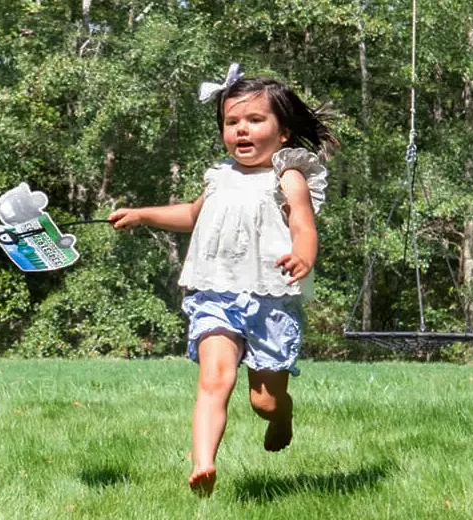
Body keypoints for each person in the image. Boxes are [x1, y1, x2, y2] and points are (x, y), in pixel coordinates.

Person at [107, 68, 337, 496]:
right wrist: (142, 215)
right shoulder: (219, 177)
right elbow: (193, 216)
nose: (241, 131)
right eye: (232, 123)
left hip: (270, 299)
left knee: (263, 401)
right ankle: (203, 464)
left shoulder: (289, 177)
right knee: (214, 380)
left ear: (283, 132)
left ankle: (282, 415)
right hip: (216, 294)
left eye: (254, 121)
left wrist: (303, 255)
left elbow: (304, 226)